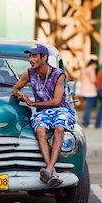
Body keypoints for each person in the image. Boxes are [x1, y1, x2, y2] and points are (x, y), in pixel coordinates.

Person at [12, 44, 76, 188]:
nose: (31, 59)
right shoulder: (29, 73)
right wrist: (20, 94)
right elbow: (15, 88)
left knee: (59, 129)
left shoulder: (58, 74)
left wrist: (32, 103)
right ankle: (51, 169)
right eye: (30, 56)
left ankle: (48, 169)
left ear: (44, 58)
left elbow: (56, 101)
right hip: (42, 112)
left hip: (61, 110)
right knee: (40, 130)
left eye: (34, 56)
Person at [80, 59, 98, 128]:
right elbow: (93, 80)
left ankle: (85, 121)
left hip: (84, 90)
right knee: (89, 108)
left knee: (86, 107)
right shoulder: (91, 69)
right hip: (90, 91)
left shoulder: (85, 69)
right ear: (94, 64)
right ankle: (87, 122)